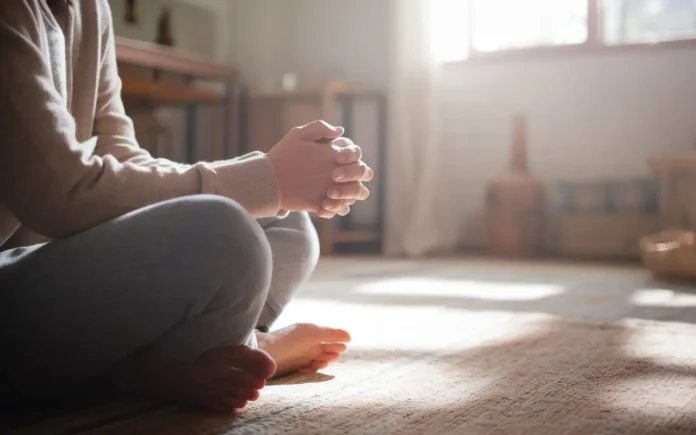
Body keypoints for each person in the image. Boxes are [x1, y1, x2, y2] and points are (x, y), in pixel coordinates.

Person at [0, 0, 374, 413]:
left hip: (41, 258)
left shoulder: (91, 8)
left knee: (287, 226)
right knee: (225, 233)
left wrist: (268, 184)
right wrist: (266, 180)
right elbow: (58, 194)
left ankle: (147, 364)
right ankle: (242, 348)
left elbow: (123, 157)